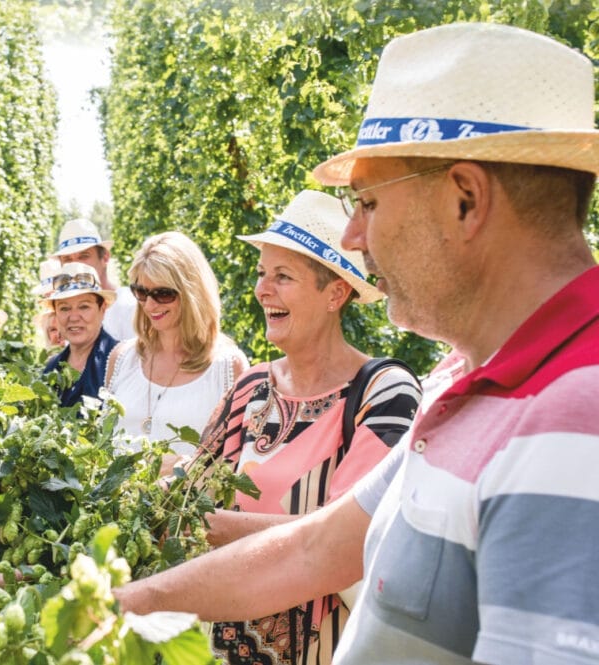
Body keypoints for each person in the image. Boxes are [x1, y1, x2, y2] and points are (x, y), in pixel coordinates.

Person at [115, 23, 599, 665]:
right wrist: (116, 605)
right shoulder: (460, 383)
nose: (353, 236)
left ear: (465, 199)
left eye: (368, 201)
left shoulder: (575, 415)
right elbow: (319, 548)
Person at [192, 190, 422, 665]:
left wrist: (208, 528)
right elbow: (189, 490)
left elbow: (346, 538)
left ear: (335, 293)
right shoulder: (251, 387)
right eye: (261, 274)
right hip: (219, 646)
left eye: (283, 277)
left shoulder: (384, 393)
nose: (262, 290)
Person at [105, 231, 248, 458]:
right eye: (141, 292)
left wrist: (185, 469)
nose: (150, 305)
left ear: (193, 293)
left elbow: (235, 462)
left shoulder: (228, 368)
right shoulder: (122, 359)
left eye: (163, 294)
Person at [41, 262, 119, 407]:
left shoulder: (121, 362)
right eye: (65, 308)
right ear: (56, 314)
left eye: (84, 307)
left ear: (102, 309)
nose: (74, 317)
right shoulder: (51, 368)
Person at [51, 218, 137, 340]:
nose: (76, 265)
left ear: (105, 258)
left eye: (84, 256)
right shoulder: (68, 314)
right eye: (68, 259)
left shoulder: (129, 305)